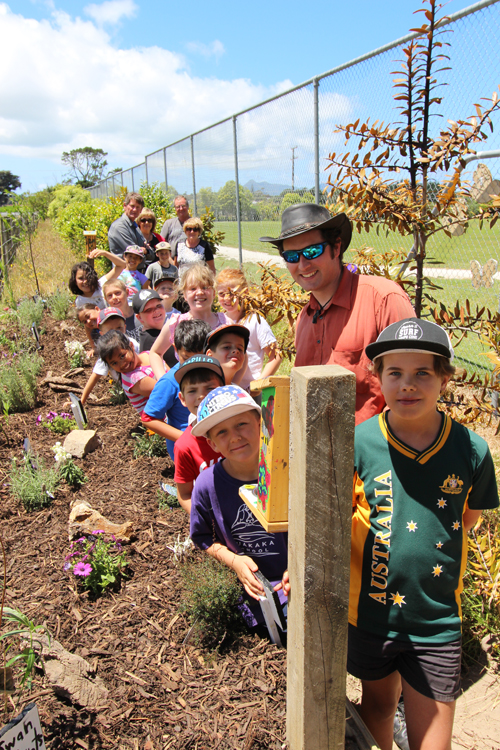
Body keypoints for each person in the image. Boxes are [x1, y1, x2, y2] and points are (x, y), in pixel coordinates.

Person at [280, 318, 500, 750]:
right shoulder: (357, 442)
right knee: (377, 710)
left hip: (436, 621)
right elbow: (329, 522)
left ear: (445, 378)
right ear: (377, 377)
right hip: (371, 618)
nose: (408, 385)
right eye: (394, 373)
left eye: (423, 373)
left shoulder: (472, 450)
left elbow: (468, 516)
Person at [260, 204, 414, 424]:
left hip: (372, 450)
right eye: (292, 256)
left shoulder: (383, 299)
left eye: (312, 251)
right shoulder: (305, 319)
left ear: (337, 247)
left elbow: (411, 389)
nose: (303, 264)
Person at [190, 385, 288, 631]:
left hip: (295, 575)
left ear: (261, 423)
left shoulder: (287, 471)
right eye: (222, 432)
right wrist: (234, 561)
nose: (234, 437)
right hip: (251, 583)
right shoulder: (206, 484)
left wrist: (300, 567)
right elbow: (202, 538)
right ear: (212, 444)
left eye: (242, 424)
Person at [141, 319, 212, 459]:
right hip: (189, 453)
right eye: (186, 358)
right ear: (175, 349)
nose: (193, 365)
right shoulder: (170, 381)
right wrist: (186, 438)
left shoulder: (213, 372)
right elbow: (148, 418)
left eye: (199, 358)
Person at [149, 264, 227, 381]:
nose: (200, 292)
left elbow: (242, 355)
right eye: (192, 289)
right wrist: (164, 381)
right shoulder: (175, 323)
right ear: (184, 295)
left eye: (205, 287)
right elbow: (155, 353)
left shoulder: (225, 322)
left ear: (214, 292)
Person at [173, 355, 225, 513]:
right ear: (182, 399)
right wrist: (205, 522)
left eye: (210, 388)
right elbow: (185, 495)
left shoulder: (239, 429)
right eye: (192, 391)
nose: (201, 396)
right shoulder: (185, 447)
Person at [216, 268, 281, 391]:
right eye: (221, 294)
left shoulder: (255, 321)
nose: (227, 298)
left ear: (245, 292)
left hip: (249, 392)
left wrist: (258, 385)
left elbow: (276, 356)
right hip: (225, 391)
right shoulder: (219, 320)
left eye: (232, 293)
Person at [80, 307, 140, 406]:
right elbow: (95, 376)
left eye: (119, 328)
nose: (116, 333)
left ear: (125, 327)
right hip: (129, 389)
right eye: (110, 330)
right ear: (102, 333)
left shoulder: (132, 343)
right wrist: (82, 401)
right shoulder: (107, 352)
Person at [97, 330, 156, 414]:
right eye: (114, 363)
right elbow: (165, 391)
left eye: (122, 356)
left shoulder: (147, 354)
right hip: (165, 420)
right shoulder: (133, 379)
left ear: (131, 346)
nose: (122, 364)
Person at [107, 192, 147, 257]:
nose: (134, 210)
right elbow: (134, 252)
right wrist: (143, 250)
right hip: (123, 266)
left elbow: (149, 252)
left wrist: (146, 251)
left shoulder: (135, 226)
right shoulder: (119, 226)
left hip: (137, 266)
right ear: (124, 206)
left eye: (137, 207)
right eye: (132, 206)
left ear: (141, 210)